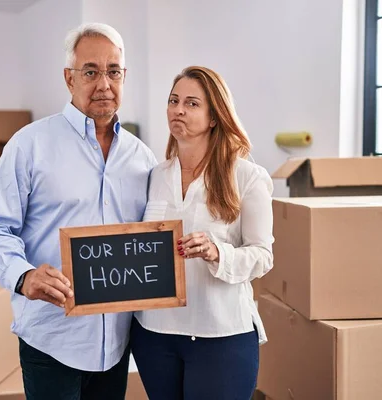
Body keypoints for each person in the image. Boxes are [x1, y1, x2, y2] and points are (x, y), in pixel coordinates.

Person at [0, 23, 156, 400]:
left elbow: (150, 239)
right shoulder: (29, 145)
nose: (104, 84)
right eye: (90, 71)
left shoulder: (142, 158)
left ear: (124, 77)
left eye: (113, 71)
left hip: (117, 344)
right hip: (52, 340)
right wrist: (23, 276)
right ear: (69, 79)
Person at [130, 66, 274, 400]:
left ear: (213, 117)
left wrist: (216, 252)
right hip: (154, 334)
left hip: (221, 334)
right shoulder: (152, 176)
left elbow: (263, 256)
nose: (178, 109)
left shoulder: (247, 177)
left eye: (192, 103)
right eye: (173, 100)